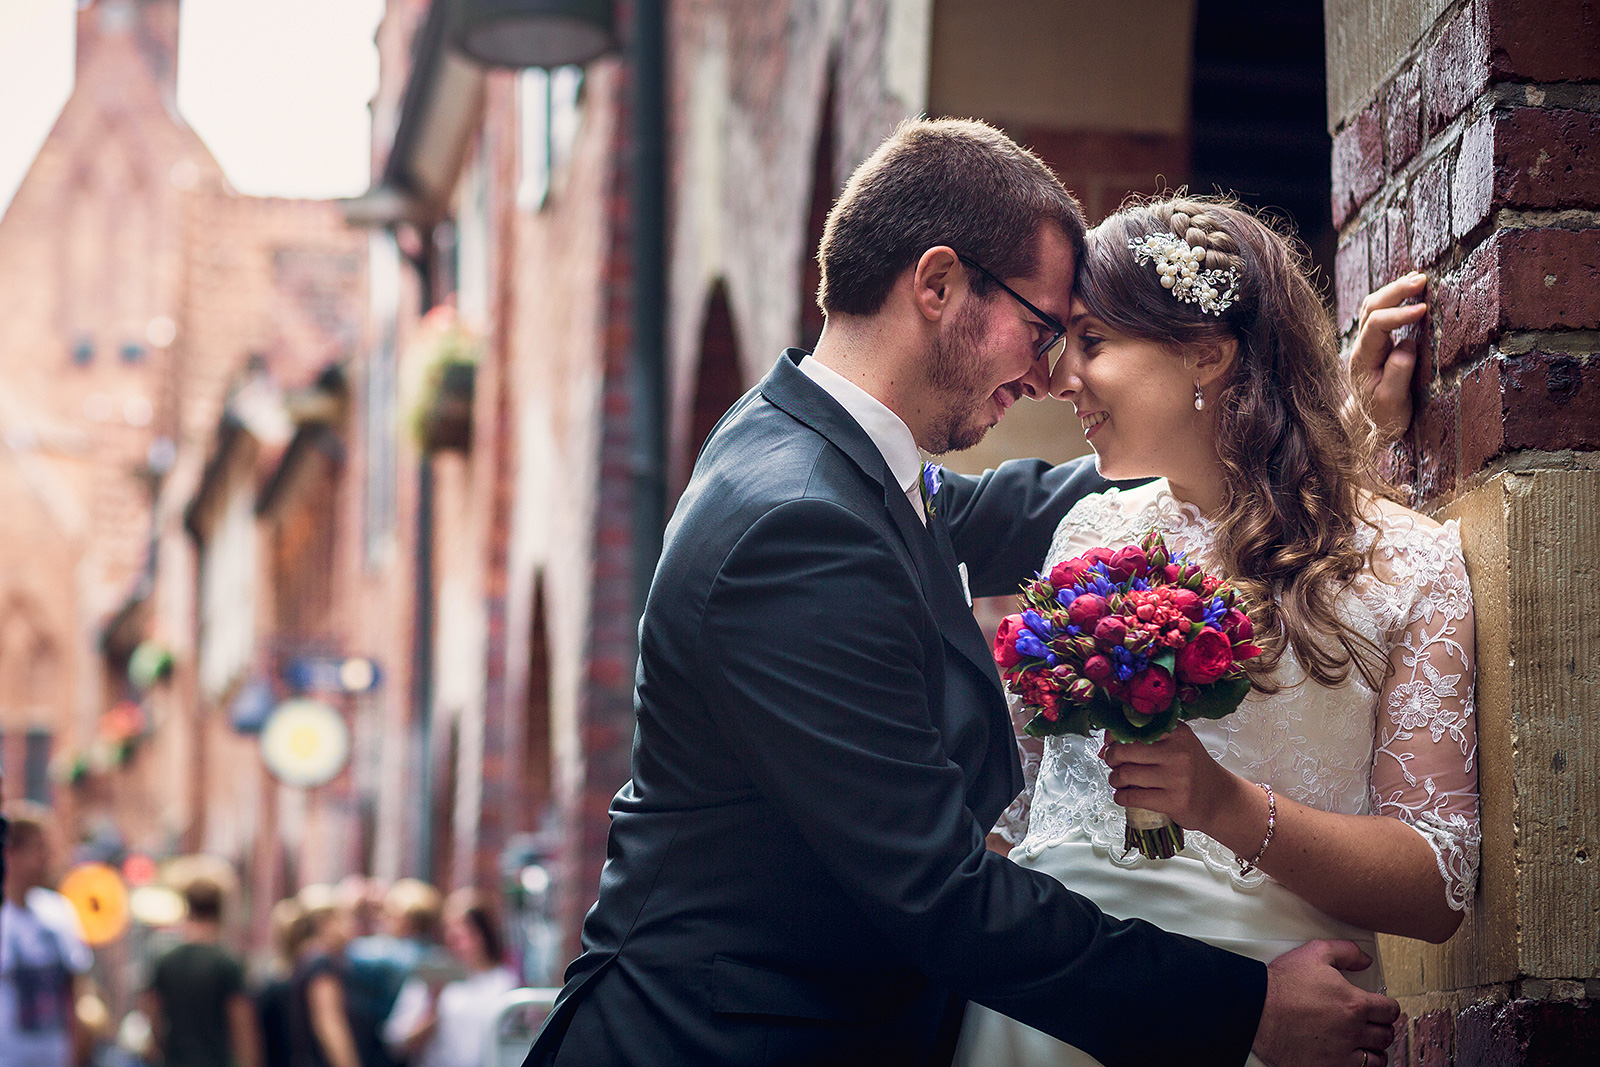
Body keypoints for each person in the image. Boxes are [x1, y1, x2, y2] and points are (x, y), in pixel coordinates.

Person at [523, 119, 1417, 1067]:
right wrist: (1247, 1011)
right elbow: (941, 897)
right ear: (940, 285)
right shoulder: (795, 523)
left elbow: (1060, 500)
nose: (1046, 374)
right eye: (1041, 329)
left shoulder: (829, 450)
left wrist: (1317, 424)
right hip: (714, 1039)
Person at [956, 196, 1479, 1066]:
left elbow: (1440, 880)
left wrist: (1225, 806)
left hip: (1272, 1002)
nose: (1059, 379)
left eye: (1090, 342)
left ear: (1206, 351)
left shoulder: (1409, 566)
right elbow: (1022, 810)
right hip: (1047, 1018)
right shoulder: (1088, 534)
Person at [1, 802, 93, 1067]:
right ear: (11, 854)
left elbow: (75, 990)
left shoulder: (58, 911)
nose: (48, 858)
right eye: (39, 848)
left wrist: (78, 1050)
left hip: (53, 1056)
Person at [383, 890, 517, 1067]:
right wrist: (433, 1007)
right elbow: (398, 1042)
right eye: (450, 930)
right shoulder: (433, 973)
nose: (457, 938)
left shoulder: (505, 980)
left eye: (467, 930)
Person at [145, 876, 261, 1067]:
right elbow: (242, 1025)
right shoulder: (227, 964)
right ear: (219, 910)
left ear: (188, 907)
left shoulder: (166, 962)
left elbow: (152, 1013)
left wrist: (159, 1049)